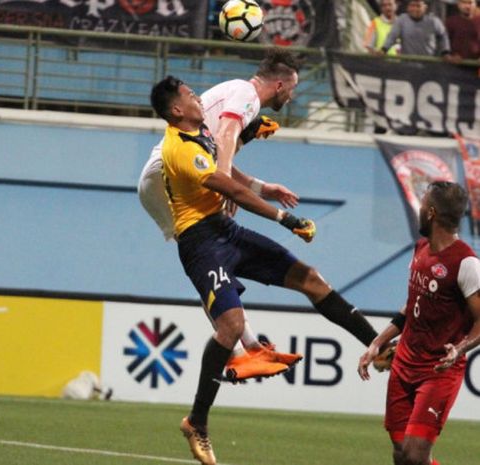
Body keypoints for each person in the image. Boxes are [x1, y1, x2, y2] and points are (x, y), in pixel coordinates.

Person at [149, 68, 376, 465]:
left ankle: (377, 345)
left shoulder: (196, 133)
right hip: (201, 244)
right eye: (190, 95)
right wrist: (283, 218)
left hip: (224, 230)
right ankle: (196, 422)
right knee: (231, 326)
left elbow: (229, 169)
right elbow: (226, 185)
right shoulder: (178, 149)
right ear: (175, 109)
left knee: (311, 279)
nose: (199, 98)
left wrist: (259, 175)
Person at [358, 181, 480, 465]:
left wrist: (460, 349)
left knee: (415, 455)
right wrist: (377, 342)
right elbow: (413, 304)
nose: (420, 209)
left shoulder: (466, 263)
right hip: (403, 365)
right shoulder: (421, 248)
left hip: (438, 370)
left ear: (432, 213)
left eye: (423, 204)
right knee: (402, 455)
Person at [381, 0, 453, 58]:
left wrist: (445, 53)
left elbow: (443, 36)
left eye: (418, 6)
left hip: (429, 64)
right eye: (412, 6)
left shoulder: (434, 21)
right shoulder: (401, 20)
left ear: (425, 7)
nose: (415, 9)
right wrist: (383, 50)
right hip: (407, 64)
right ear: (408, 8)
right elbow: (392, 36)